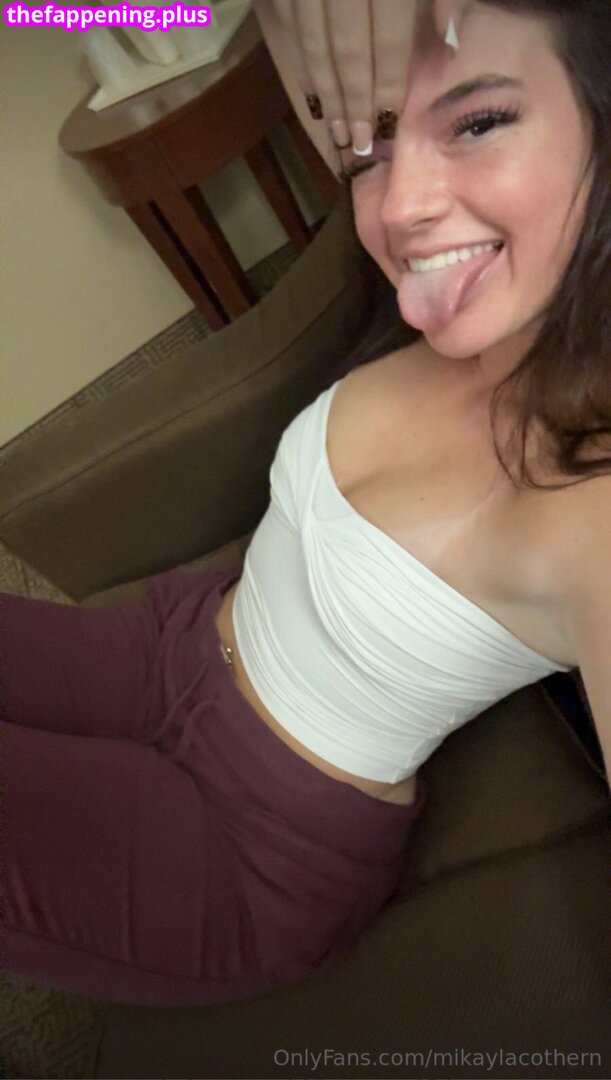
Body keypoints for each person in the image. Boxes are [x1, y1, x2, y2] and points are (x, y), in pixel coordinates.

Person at [2, 0, 609, 1009]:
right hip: (174, 644)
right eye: (367, 152)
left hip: (244, 843)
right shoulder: (473, 313)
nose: (399, 206)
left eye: (476, 122)